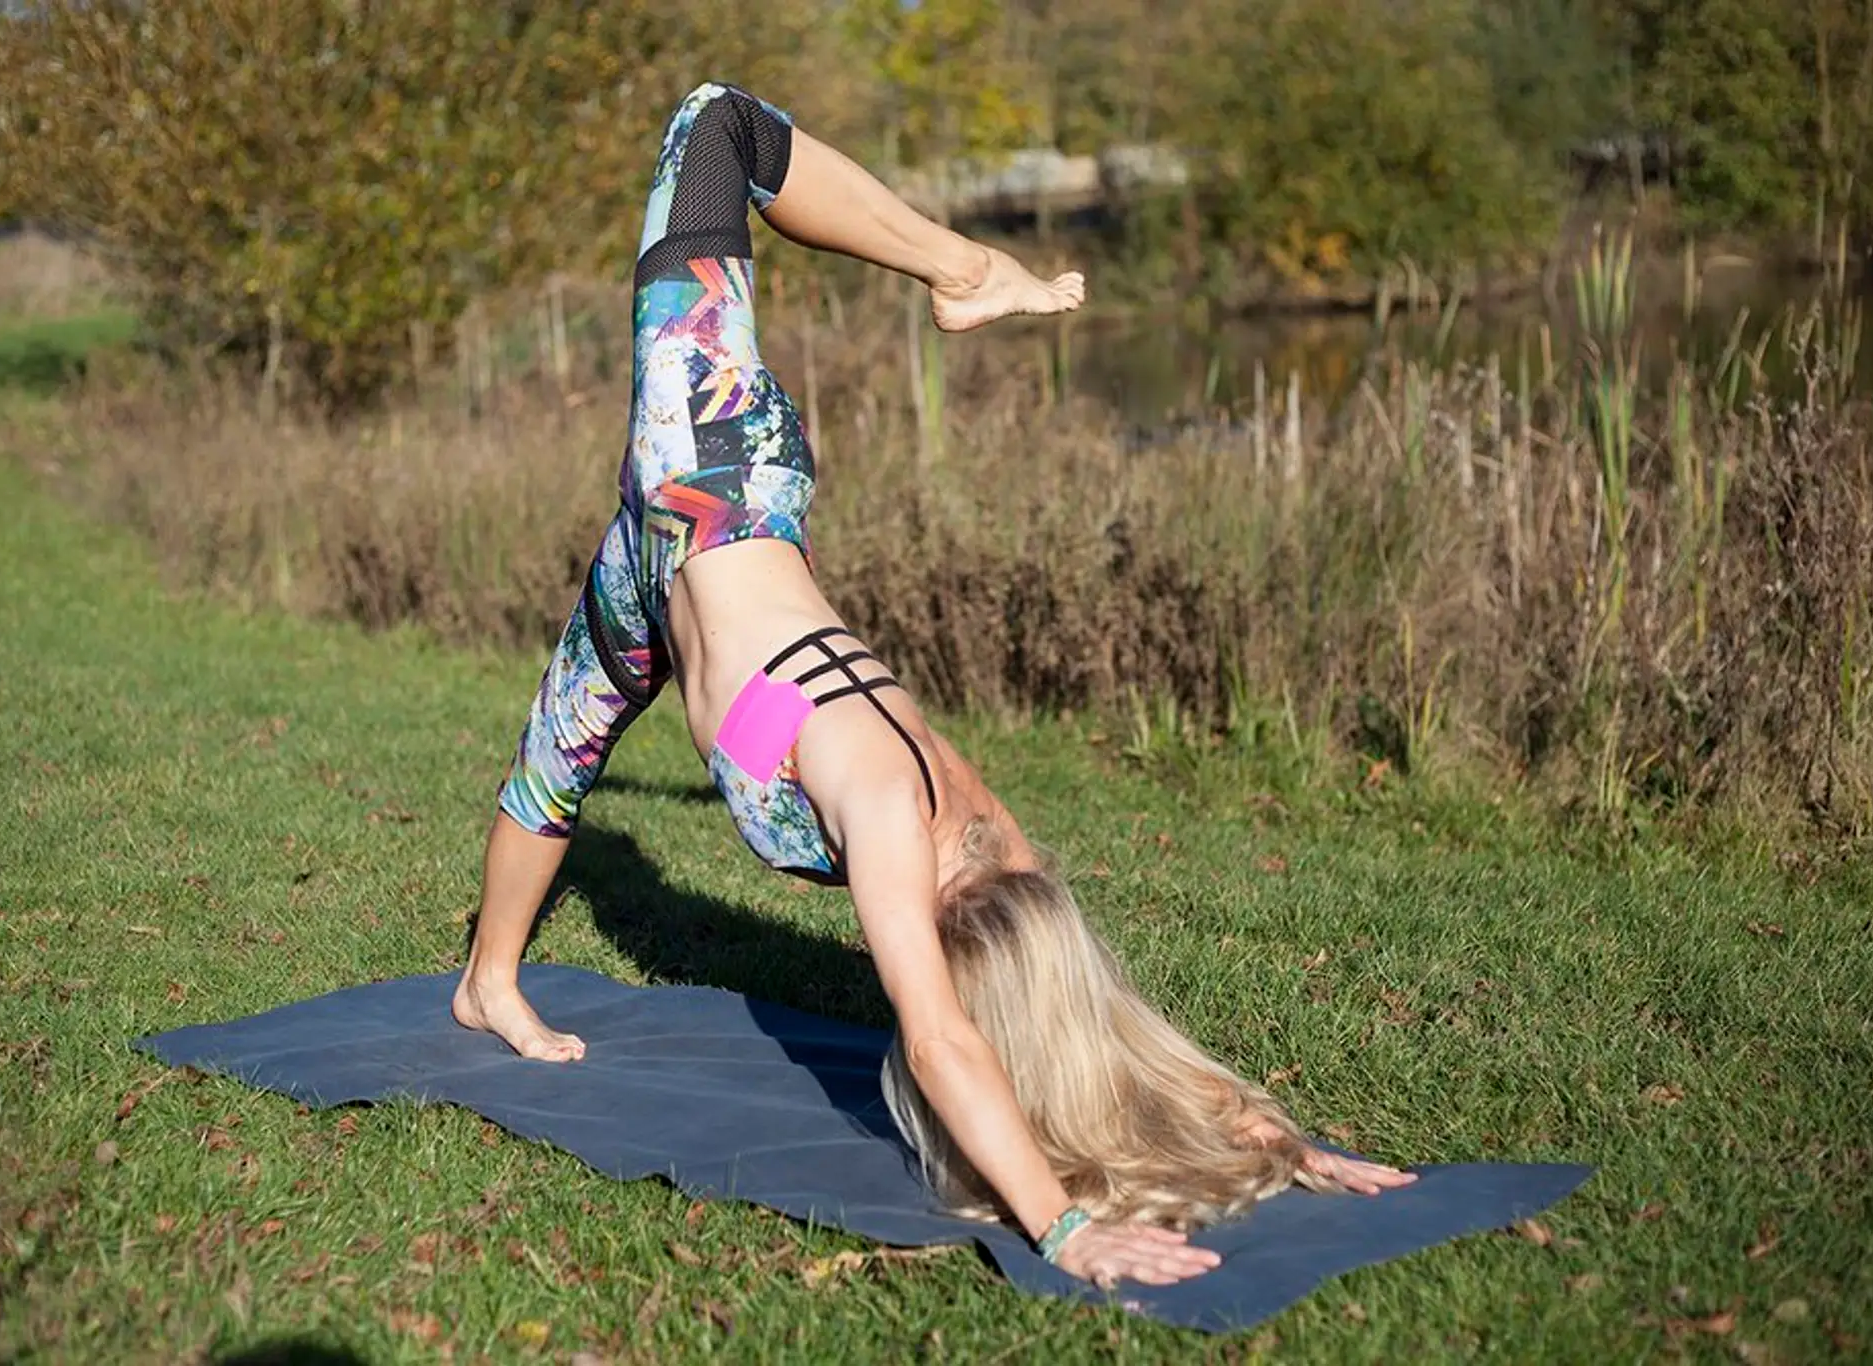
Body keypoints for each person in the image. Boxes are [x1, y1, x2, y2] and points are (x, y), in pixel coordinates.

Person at [452, 83, 1415, 1290]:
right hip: (709, 474)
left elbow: (965, 1035)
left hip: (678, 559)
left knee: (556, 759)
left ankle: (487, 983)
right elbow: (1002, 1027)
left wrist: (1254, 1143)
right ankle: (964, 269)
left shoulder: (922, 827)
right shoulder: (944, 825)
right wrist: (1096, 1204)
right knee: (717, 125)